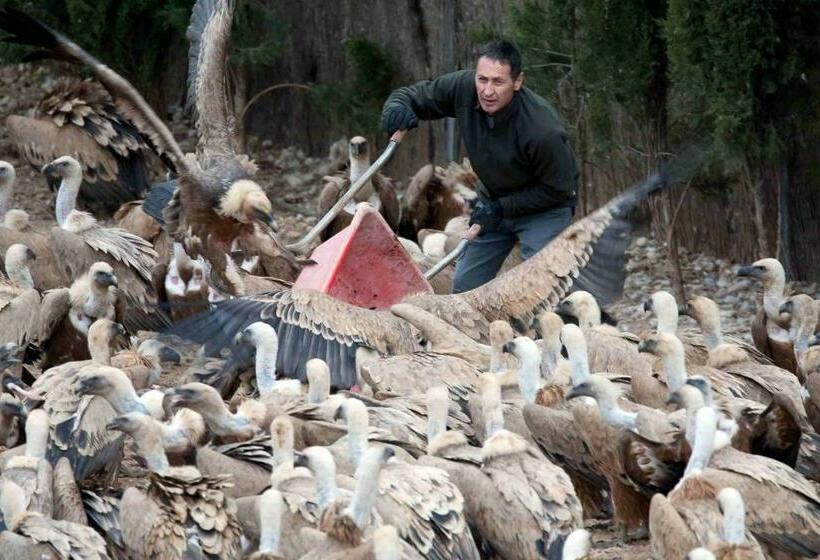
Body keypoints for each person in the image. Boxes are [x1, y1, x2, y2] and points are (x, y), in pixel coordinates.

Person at [382, 40, 579, 293]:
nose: (487, 90)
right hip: (493, 203)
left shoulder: (542, 130)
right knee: (465, 289)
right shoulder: (465, 88)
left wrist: (501, 208)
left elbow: (561, 190)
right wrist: (396, 108)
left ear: (518, 82)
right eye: (482, 79)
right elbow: (413, 95)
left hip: (544, 209)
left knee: (541, 290)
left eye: (498, 82)